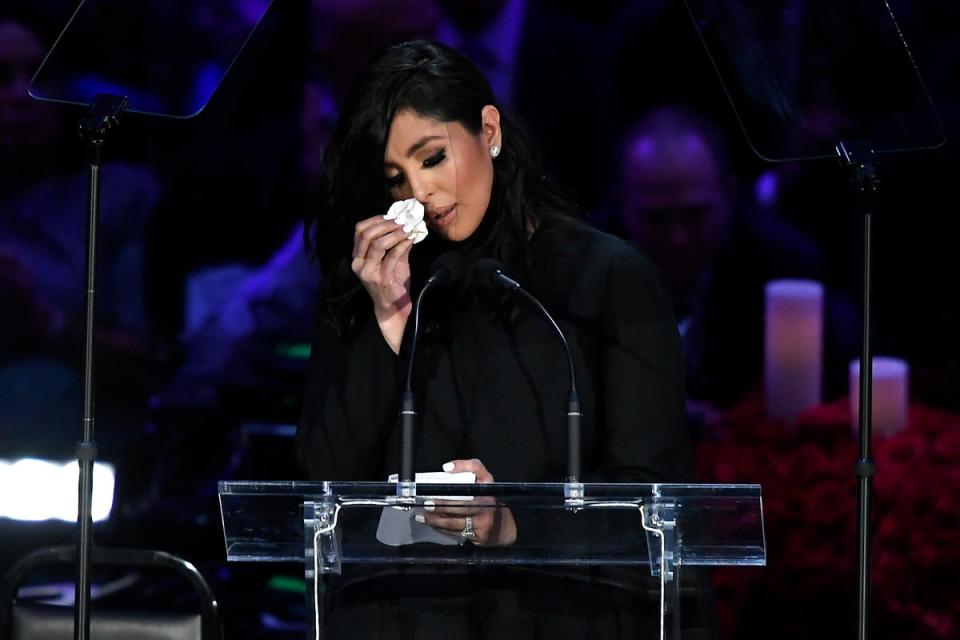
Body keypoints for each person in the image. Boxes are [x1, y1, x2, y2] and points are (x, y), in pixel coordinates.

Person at [296, 40, 709, 638]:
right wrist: (386, 323)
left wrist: (512, 524)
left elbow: (656, 501)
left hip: (560, 616)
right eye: (396, 179)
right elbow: (320, 492)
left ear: (488, 130)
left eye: (433, 158)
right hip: (408, 618)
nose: (421, 194)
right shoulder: (377, 283)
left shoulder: (605, 278)